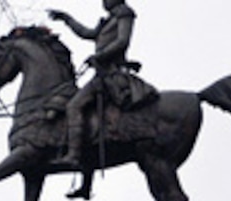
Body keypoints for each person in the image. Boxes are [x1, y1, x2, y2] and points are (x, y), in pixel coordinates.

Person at [48, 0, 155, 174]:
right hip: (101, 75)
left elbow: (122, 41)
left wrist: (100, 56)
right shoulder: (108, 20)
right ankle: (85, 175)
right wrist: (66, 19)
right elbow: (86, 33)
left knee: (74, 106)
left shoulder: (124, 13)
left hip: (112, 76)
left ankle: (73, 154)